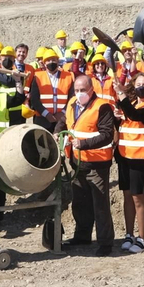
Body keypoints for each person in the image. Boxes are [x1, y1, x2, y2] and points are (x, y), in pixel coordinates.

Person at [63, 75, 117, 256]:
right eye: (76, 90)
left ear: (91, 90)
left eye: (83, 90)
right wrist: (57, 132)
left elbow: (107, 134)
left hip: (97, 163)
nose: (79, 94)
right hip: (77, 162)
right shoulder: (72, 103)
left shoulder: (102, 107)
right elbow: (65, 122)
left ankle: (105, 243)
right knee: (80, 202)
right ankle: (82, 235)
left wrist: (83, 144)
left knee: (100, 204)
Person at [113, 73, 144, 253]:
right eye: (139, 83)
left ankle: (143, 238)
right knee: (127, 197)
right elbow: (125, 123)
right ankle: (129, 233)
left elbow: (136, 116)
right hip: (125, 157)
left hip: (140, 158)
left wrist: (122, 97)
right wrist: (118, 117)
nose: (141, 87)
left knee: (138, 198)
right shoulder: (132, 103)